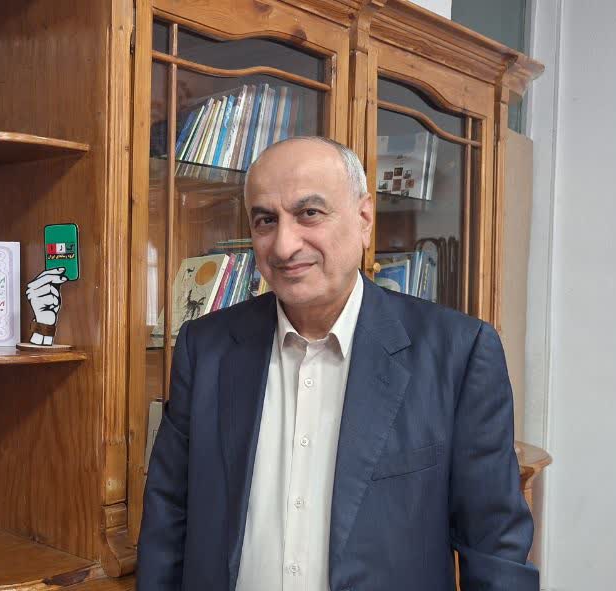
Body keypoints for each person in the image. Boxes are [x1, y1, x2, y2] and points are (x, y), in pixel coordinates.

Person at [137, 137, 535, 591]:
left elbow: (495, 547)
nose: (284, 245)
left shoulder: (458, 352)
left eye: (309, 213)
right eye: (266, 220)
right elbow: (168, 516)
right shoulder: (205, 348)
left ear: (364, 219)